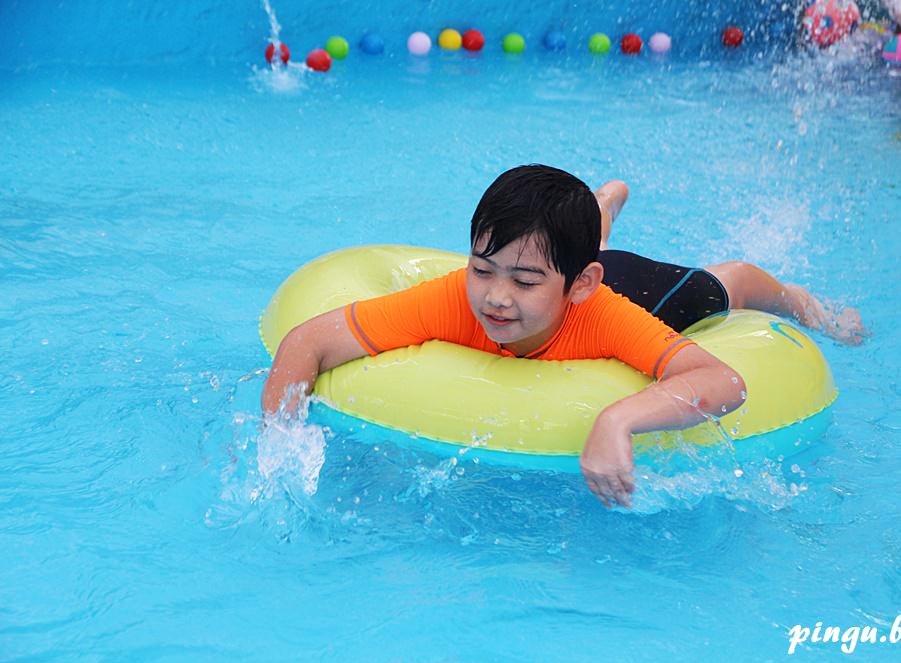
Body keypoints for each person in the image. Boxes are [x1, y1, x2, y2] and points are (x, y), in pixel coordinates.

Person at [263, 165, 862, 508]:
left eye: (521, 282)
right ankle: (596, 213)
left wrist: (616, 420)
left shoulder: (607, 314)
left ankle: (799, 299)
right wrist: (276, 452)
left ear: (578, 285)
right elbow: (306, 343)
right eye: (481, 269)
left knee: (719, 287)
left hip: (636, 287)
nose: (495, 298)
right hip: (574, 268)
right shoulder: (454, 297)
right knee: (557, 249)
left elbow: (725, 381)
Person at [592, 180, 867, 345]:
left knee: (738, 281)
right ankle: (601, 205)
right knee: (594, 246)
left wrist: (816, 316)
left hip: (643, 288)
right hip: (593, 269)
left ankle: (819, 314)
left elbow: (742, 276)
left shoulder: (640, 306)